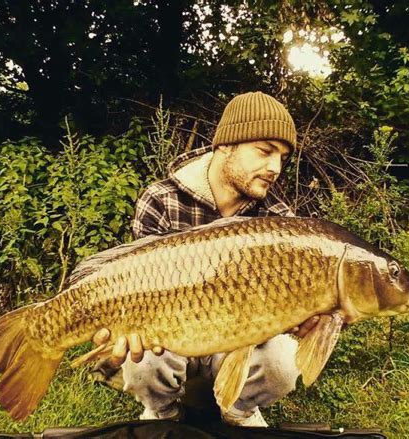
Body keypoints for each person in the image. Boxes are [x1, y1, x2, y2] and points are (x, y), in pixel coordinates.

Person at [92, 91, 320, 427]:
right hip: (172, 341)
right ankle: (163, 413)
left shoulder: (278, 220)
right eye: (264, 151)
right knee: (144, 360)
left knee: (282, 362)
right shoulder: (160, 199)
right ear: (225, 146)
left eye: (283, 158)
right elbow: (135, 289)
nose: (274, 168)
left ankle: (238, 410)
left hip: (237, 347)